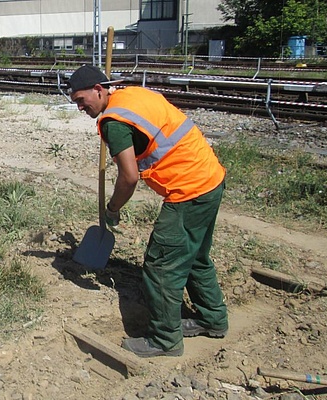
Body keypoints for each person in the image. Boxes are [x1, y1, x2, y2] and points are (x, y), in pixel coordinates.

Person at [68, 65, 228, 358]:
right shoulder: (133, 96)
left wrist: (113, 208)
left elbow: (129, 177)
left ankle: (165, 340)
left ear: (99, 90)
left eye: (81, 99)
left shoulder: (115, 122)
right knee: (195, 257)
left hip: (188, 190)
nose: (80, 107)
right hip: (210, 177)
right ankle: (212, 318)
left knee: (162, 266)